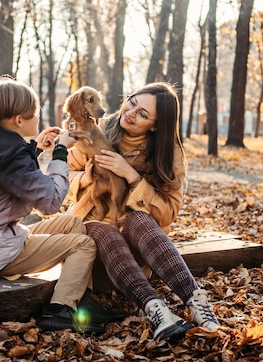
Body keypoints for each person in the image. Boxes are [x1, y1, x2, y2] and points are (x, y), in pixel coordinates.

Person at [0, 76, 121, 334]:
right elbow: (50, 202)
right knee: (84, 244)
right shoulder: (13, 159)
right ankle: (60, 310)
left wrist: (33, 149)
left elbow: (10, 176)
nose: (38, 120)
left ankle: (80, 298)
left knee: (74, 222)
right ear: (19, 121)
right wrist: (60, 152)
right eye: (35, 115)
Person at [65, 82, 221, 342]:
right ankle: (156, 309)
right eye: (132, 102)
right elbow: (66, 153)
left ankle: (197, 302)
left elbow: (169, 212)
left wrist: (131, 175)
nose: (130, 112)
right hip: (92, 231)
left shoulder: (168, 153)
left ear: (156, 125)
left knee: (137, 218)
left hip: (138, 242)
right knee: (105, 232)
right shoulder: (100, 125)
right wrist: (83, 178)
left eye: (142, 114)